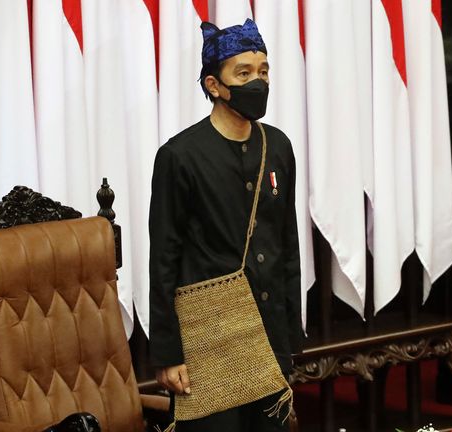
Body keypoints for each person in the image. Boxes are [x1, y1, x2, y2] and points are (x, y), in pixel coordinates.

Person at [149, 18, 302, 431]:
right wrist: (167, 353)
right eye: (245, 73)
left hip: (269, 333)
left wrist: (292, 336)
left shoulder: (279, 146)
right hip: (208, 341)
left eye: (264, 71)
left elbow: (288, 243)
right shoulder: (179, 156)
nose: (259, 82)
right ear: (214, 85)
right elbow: (164, 256)